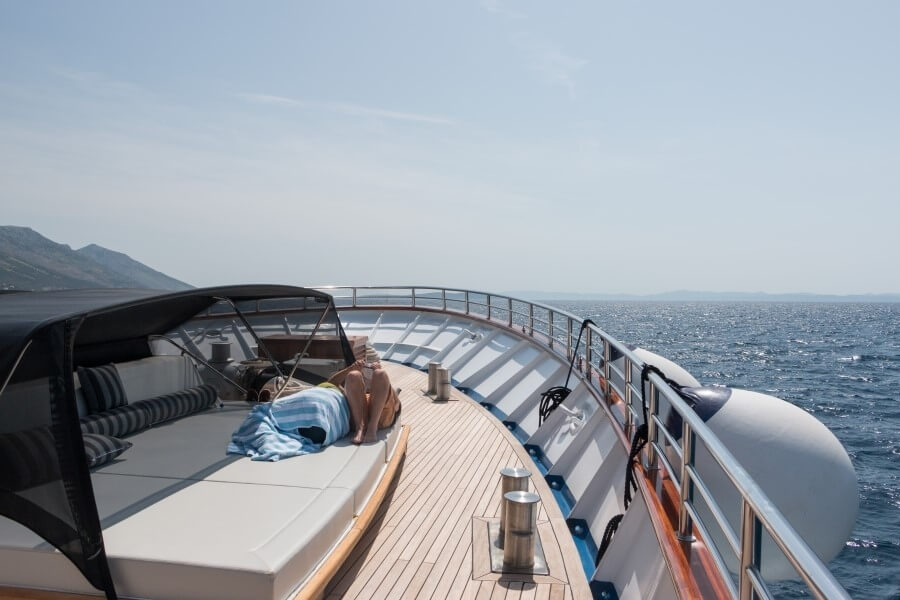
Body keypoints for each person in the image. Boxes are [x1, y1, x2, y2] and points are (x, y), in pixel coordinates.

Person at [327, 359, 401, 444]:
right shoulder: (349, 392)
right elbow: (330, 384)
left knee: (380, 373)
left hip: (381, 418)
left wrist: (382, 377)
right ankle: (360, 428)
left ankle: (372, 427)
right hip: (356, 419)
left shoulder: (383, 392)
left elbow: (396, 405)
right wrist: (350, 369)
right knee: (353, 375)